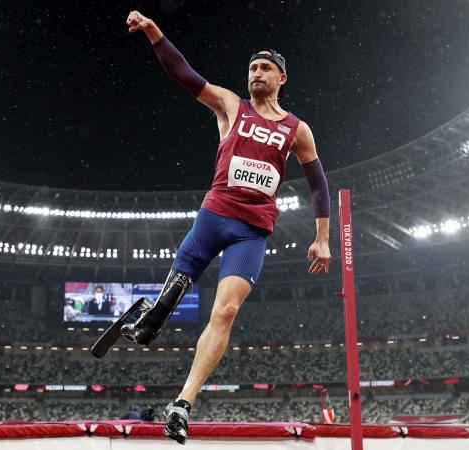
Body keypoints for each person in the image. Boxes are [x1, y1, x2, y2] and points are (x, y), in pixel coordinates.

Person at [121, 11, 332, 444]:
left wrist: (323, 239)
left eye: (265, 68)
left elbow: (318, 184)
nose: (256, 73)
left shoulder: (297, 129)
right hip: (214, 216)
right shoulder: (231, 106)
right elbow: (183, 73)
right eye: (252, 68)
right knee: (178, 287)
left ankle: (181, 404)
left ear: (282, 78)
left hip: (251, 232)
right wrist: (153, 32)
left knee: (227, 311)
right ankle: (155, 315)